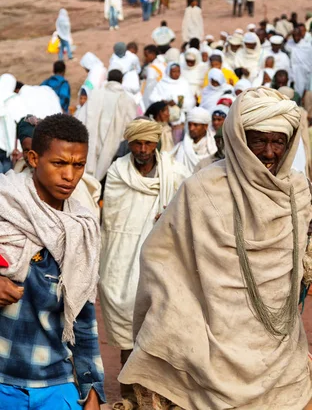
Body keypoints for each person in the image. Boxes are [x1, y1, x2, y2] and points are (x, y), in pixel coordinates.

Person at [119, 88, 312, 410]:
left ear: (290, 143)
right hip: (209, 350)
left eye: (278, 141)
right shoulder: (200, 189)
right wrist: (179, 318)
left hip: (280, 349)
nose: (267, 152)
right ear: (238, 138)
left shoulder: (298, 192)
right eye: (258, 140)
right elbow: (161, 260)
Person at [0, 114, 105, 409]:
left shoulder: (81, 228)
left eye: (78, 165)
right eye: (59, 163)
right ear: (34, 158)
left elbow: (83, 316)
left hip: (55, 383)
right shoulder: (5, 205)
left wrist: (92, 390)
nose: (70, 176)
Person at [98, 118, 189, 408]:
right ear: (130, 143)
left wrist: (168, 219)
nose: (142, 148)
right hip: (121, 262)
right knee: (127, 330)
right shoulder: (117, 172)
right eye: (137, 142)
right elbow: (112, 223)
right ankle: (128, 396)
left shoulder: (174, 174)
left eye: (148, 143)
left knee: (161, 326)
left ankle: (162, 394)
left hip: (159, 262)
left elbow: (186, 211)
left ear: (156, 143)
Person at [76, 69, 137, 183]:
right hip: (116, 148)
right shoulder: (127, 99)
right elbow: (131, 125)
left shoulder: (95, 94)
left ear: (107, 79)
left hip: (91, 143)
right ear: (121, 80)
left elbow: (81, 117)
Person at [149, 63, 196, 144]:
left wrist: (179, 103)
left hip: (178, 120)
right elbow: (152, 98)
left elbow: (191, 101)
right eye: (174, 71)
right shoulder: (162, 84)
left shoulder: (184, 83)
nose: (176, 74)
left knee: (177, 142)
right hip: (163, 120)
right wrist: (165, 102)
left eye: (178, 71)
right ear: (168, 72)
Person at [173, 107, 217, 173]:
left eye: (195, 125)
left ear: (205, 126)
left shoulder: (213, 146)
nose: (191, 128)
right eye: (189, 124)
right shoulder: (181, 147)